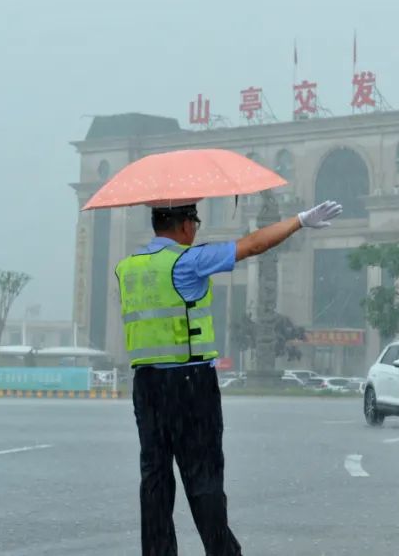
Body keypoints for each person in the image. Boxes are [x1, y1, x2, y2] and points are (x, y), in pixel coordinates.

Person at [115, 198, 344, 556]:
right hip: (189, 383)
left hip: (146, 385)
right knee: (203, 478)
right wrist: (299, 221)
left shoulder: (126, 267)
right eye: (196, 222)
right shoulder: (187, 261)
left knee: (155, 479)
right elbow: (252, 245)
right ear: (185, 225)